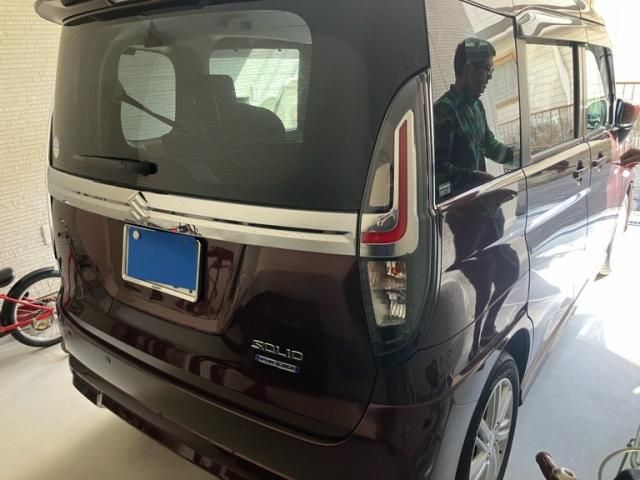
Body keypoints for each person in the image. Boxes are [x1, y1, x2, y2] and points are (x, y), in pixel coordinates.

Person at [434, 37, 515, 199]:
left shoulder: (477, 106)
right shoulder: (444, 110)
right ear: (469, 69)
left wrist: (524, 156)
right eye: (487, 70)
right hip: (456, 207)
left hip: (478, 201)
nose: (490, 77)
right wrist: (475, 178)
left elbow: (490, 146)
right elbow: (438, 172)